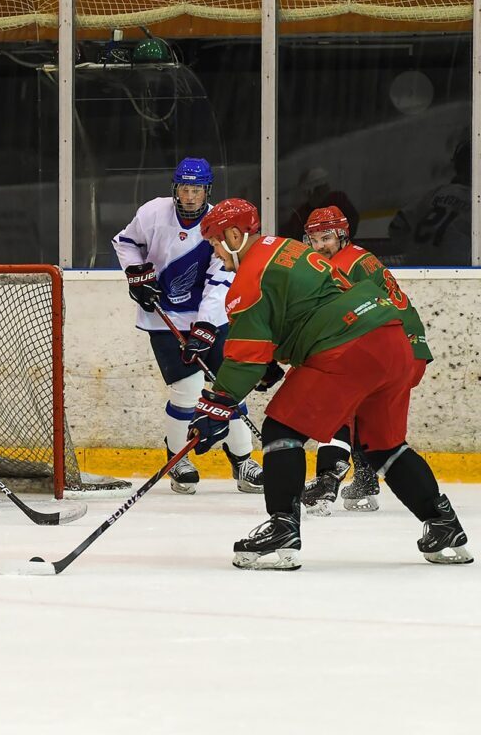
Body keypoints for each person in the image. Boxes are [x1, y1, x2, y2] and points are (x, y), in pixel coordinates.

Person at [188, 198, 471, 570]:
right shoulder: (286, 248)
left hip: (348, 348)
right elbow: (301, 310)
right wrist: (273, 360)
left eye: (214, 243)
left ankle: (282, 528)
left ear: (235, 235)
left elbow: (243, 359)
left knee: (280, 427)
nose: (215, 254)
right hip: (390, 341)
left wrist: (214, 405)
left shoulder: (248, 276)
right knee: (384, 445)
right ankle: (443, 524)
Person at [112, 157, 263, 495]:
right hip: (163, 318)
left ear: (207, 190)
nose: (190, 195)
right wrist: (137, 275)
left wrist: (206, 327)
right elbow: (125, 242)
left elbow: (218, 282)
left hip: (211, 316)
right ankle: (178, 458)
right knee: (188, 389)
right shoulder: (153, 212)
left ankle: (242, 461)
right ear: (175, 188)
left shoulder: (218, 224)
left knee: (228, 387)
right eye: (184, 187)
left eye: (196, 188)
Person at [298, 205, 433, 515]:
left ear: (343, 236)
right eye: (314, 239)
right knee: (366, 416)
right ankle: (366, 481)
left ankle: (326, 481)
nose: (319, 246)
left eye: (326, 238)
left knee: (336, 403)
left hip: (391, 349)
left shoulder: (341, 266)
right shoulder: (360, 257)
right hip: (411, 352)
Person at [387, 141, 470, 266]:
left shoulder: (435, 194)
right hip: (454, 277)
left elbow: (397, 226)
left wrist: (418, 251)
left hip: (414, 272)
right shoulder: (475, 201)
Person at [281, 166, 360, 241]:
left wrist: (339, 241)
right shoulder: (299, 216)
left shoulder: (339, 199)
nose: (327, 188)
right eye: (323, 186)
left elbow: (352, 220)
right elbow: (291, 235)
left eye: (326, 185)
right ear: (312, 191)